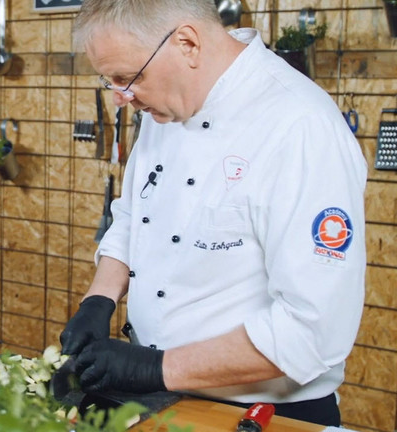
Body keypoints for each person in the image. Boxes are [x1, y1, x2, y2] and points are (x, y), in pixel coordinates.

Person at [59, 0, 366, 426]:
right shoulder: (166, 102)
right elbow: (133, 216)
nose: (119, 97)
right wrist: (99, 299)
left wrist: (154, 368)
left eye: (128, 78)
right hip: (160, 395)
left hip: (264, 412)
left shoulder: (300, 127)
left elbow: (314, 331)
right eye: (110, 81)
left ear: (187, 43)